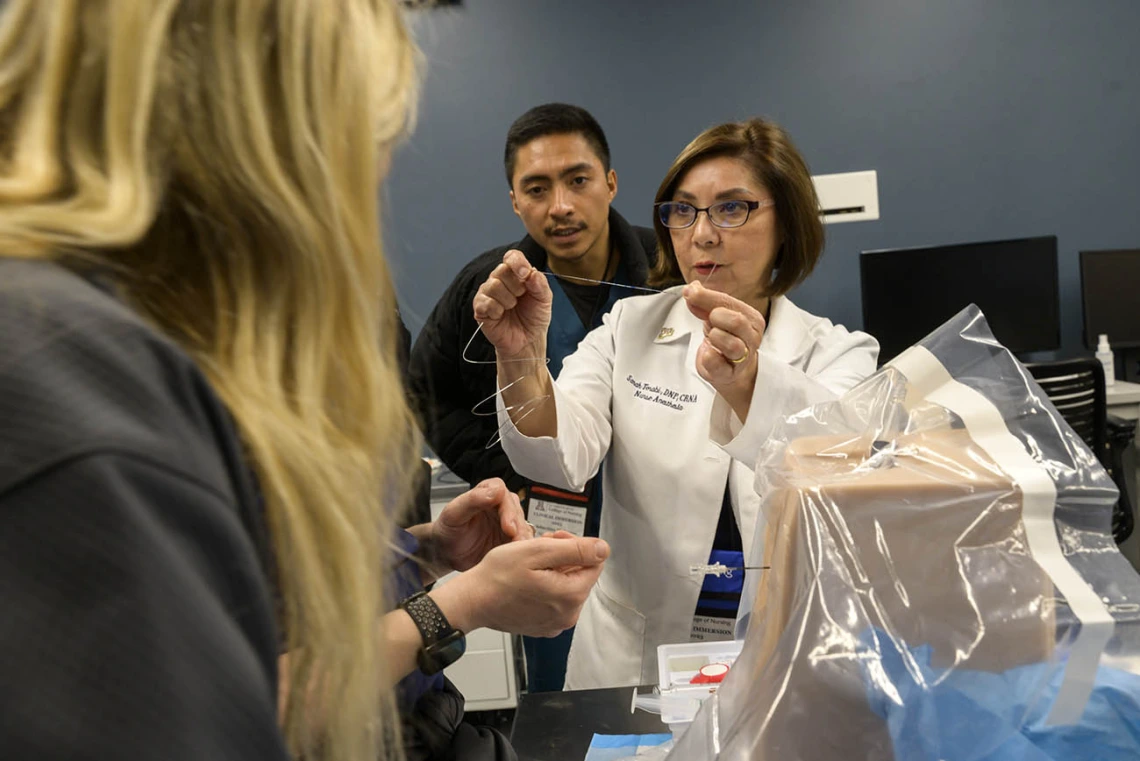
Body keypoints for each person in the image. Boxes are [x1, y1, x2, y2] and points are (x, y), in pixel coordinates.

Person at [0, 3, 607, 761]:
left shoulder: (168, 327)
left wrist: (420, 551)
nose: (376, 172)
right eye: (367, 134)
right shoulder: (71, 377)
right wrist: (456, 603)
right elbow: (239, 701)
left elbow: (248, 588)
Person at [474, 117, 881, 690]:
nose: (702, 234)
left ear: (786, 222)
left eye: (732, 208)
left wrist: (748, 383)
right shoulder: (628, 327)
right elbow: (558, 455)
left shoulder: (838, 353)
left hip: (784, 659)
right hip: (633, 660)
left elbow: (840, 475)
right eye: (683, 210)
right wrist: (519, 359)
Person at [408, 102, 656, 691]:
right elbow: (426, 389)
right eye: (537, 188)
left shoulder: (669, 273)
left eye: (578, 180)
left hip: (656, 516)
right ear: (515, 201)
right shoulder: (491, 286)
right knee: (563, 686)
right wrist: (506, 472)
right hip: (553, 523)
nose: (561, 206)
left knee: (670, 675)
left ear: (611, 182)